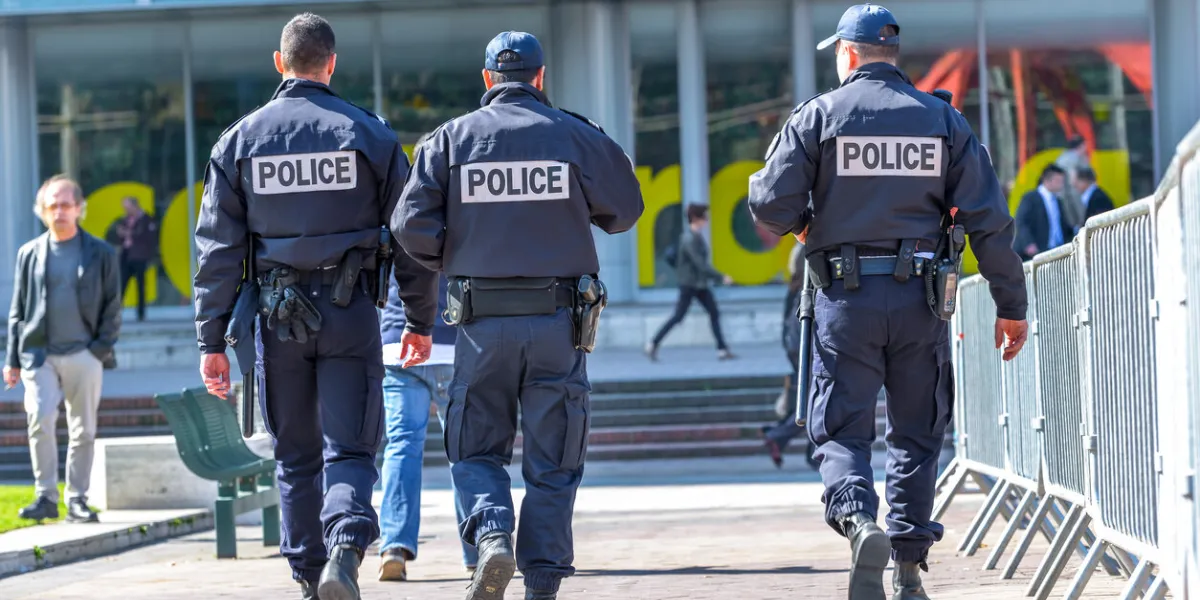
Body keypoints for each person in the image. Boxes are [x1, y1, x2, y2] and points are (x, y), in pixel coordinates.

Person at [747, 4, 1030, 599]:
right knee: (917, 432)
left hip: (843, 300)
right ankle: (906, 571)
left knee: (842, 431)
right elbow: (990, 220)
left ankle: (857, 521)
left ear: (848, 54)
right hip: (921, 300)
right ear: (892, 54)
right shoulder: (943, 121)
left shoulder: (818, 116)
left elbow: (769, 203)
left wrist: (805, 224)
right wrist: (1011, 305)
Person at [191, 13, 438, 600]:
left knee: (296, 453)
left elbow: (218, 252)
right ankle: (347, 550)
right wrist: (421, 320)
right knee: (352, 446)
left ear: (280, 63)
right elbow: (411, 238)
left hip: (278, 319)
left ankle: (308, 574)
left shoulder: (240, 141)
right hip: (351, 310)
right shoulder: (371, 137)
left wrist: (211, 340)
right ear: (331, 64)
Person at [391, 31, 644, 600]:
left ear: (487, 80)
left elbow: (408, 226)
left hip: (479, 326)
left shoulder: (449, 140)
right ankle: (543, 584)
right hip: (558, 323)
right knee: (555, 459)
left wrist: (453, 257)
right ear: (540, 77)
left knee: (475, 448)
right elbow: (625, 211)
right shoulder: (575, 135)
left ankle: (491, 535)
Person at [4, 174, 121, 525]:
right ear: (42, 211)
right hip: (40, 355)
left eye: (66, 205)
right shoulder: (29, 253)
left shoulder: (101, 252)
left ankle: (77, 499)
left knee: (82, 429)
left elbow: (113, 307)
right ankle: (45, 497)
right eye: (52, 205)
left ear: (79, 209)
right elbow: (18, 311)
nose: (59, 212)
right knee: (39, 418)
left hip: (85, 354)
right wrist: (12, 360)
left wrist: (99, 349)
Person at [377, 274, 478, 580]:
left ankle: (394, 547)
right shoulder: (463, 223)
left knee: (401, 447)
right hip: (454, 342)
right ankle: (478, 547)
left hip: (399, 342)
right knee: (464, 450)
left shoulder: (393, 223)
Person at [644, 203, 736, 361]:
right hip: (689, 284)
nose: (706, 221)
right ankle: (652, 343)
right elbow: (700, 264)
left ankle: (722, 349)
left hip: (698, 284)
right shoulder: (689, 239)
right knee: (678, 316)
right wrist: (721, 277)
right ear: (695, 219)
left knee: (713, 312)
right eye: (704, 217)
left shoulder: (696, 237)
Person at [760, 242, 818, 471]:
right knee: (816, 398)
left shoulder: (794, 288)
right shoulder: (808, 289)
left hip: (798, 347)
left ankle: (788, 440)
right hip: (806, 347)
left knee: (812, 397)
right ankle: (779, 435)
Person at [104, 196, 159, 322]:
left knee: (141, 286)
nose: (126, 210)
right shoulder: (125, 220)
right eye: (125, 208)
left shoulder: (146, 219)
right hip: (126, 255)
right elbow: (117, 237)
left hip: (140, 257)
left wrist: (130, 234)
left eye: (128, 208)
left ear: (135, 206)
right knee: (122, 285)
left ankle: (141, 314)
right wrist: (121, 234)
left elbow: (149, 239)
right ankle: (116, 314)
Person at [1013, 164, 1073, 260]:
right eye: (1058, 181)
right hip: (1033, 253)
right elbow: (1021, 222)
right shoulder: (1030, 198)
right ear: (1047, 180)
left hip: (1055, 251)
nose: (1061, 185)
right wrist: (1028, 243)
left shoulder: (1058, 201)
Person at [1054, 135, 1091, 229]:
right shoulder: (1075, 157)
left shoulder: (1064, 156)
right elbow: (1073, 179)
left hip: (1060, 195)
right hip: (1070, 196)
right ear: (1081, 146)